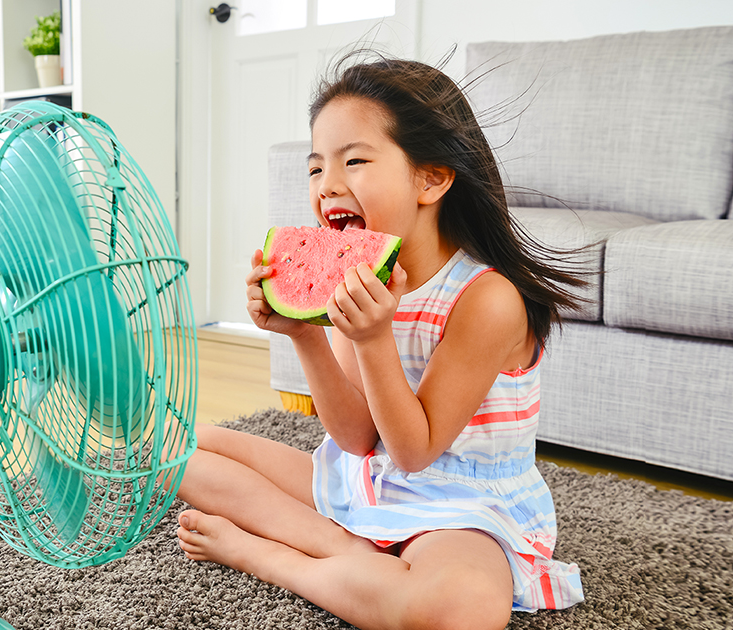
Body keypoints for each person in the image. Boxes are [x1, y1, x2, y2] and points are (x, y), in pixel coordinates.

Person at [175, 51, 586, 630]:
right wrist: (304, 334)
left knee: (459, 610)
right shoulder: (357, 274)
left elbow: (415, 453)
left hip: (461, 506)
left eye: (355, 161)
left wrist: (372, 339)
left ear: (432, 177)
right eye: (316, 168)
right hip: (370, 477)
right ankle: (356, 556)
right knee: (176, 448)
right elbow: (357, 438)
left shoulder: (488, 301)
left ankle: (273, 555)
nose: (328, 186)